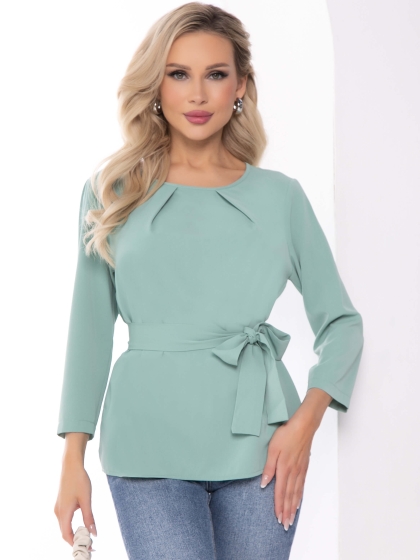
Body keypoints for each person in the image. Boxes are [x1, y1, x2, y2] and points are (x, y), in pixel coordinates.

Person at [54, 3, 364, 559]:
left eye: (215, 74)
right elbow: (90, 332)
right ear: (156, 84)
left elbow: (341, 324)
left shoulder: (279, 198)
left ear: (240, 85)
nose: (197, 94)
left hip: (261, 444)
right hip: (146, 441)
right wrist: (72, 457)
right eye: (179, 74)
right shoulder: (112, 191)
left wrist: (304, 425)